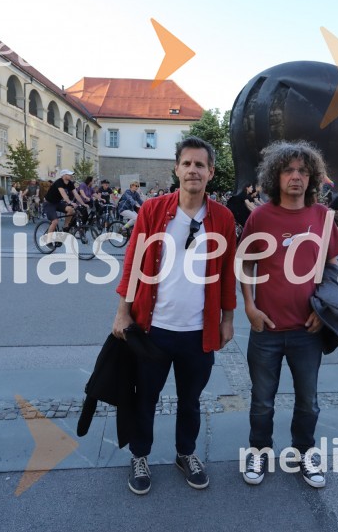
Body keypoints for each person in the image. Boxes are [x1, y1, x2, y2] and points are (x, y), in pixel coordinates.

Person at [112, 136, 236, 495]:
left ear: (210, 172)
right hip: (153, 328)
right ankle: (140, 455)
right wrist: (122, 312)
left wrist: (228, 318)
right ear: (177, 169)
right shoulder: (153, 210)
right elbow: (133, 261)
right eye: (187, 163)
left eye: (200, 165)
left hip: (199, 331)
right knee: (145, 397)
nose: (193, 170)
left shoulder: (222, 218)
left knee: (190, 400)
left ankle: (186, 453)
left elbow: (228, 272)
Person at [240, 140, 338, 489]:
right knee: (262, 401)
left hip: (308, 330)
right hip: (266, 328)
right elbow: (244, 264)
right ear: (276, 175)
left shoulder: (322, 217)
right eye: (289, 170)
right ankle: (259, 450)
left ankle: (304, 453)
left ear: (312, 177)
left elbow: (332, 270)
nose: (296, 177)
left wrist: (326, 311)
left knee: (308, 402)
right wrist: (250, 306)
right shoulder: (260, 216)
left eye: (303, 171)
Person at [42, 169, 80, 241]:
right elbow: (64, 194)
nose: (71, 176)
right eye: (69, 174)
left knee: (71, 210)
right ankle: (47, 239)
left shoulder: (70, 183)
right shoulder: (59, 182)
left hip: (57, 203)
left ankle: (65, 227)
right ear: (64, 175)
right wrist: (70, 202)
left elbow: (76, 194)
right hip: (49, 203)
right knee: (55, 221)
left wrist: (83, 203)